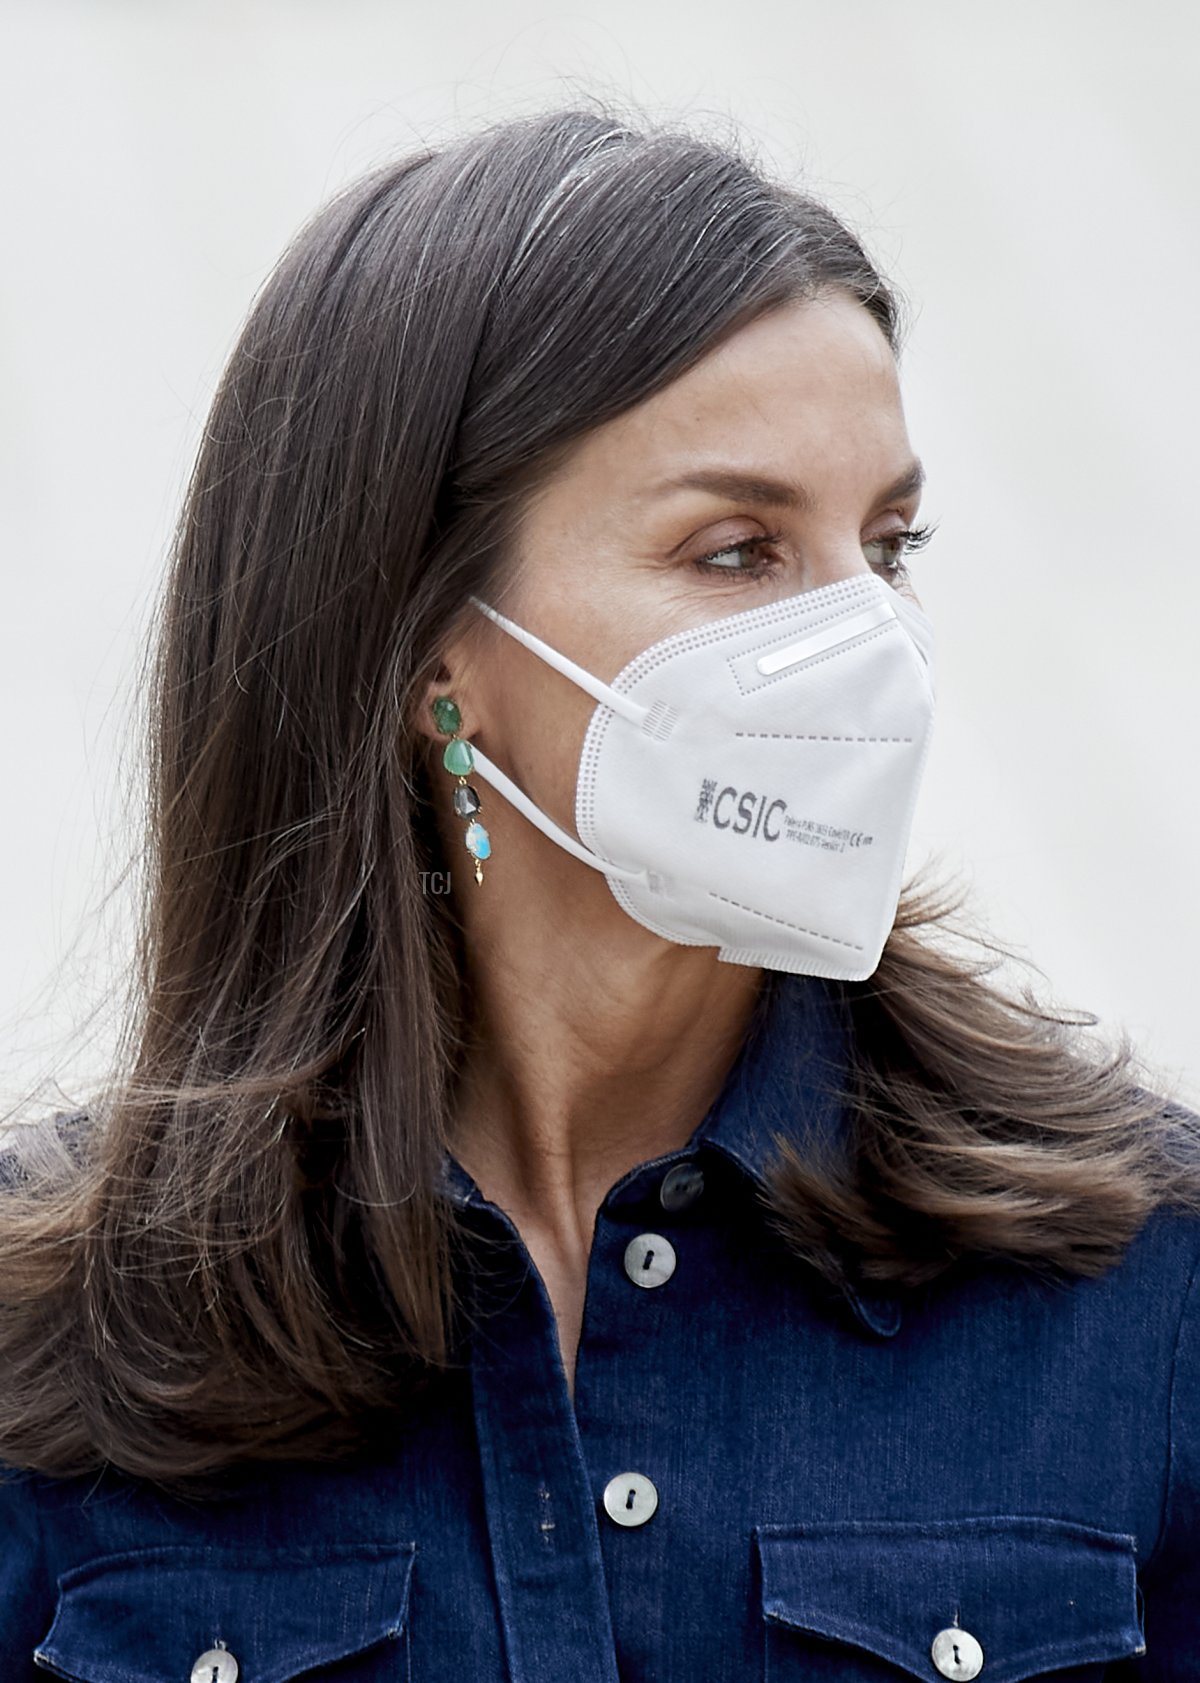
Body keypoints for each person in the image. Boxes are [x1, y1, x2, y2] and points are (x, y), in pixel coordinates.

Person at [1, 102, 1197, 1683]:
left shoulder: (1134, 1278)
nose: (871, 650)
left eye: (888, 546)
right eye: (735, 551)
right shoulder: (61, 1338)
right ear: (433, 652)